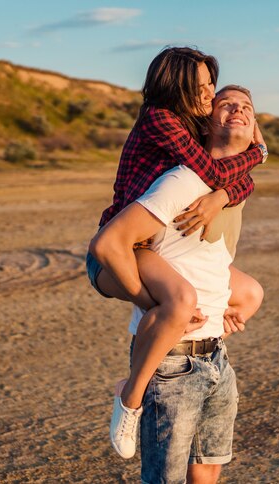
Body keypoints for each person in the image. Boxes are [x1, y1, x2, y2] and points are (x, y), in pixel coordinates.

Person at [86, 47, 266, 458]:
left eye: (211, 86)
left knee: (250, 293)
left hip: (148, 245)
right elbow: (216, 170)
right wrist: (259, 154)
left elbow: (233, 177)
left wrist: (223, 195)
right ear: (178, 87)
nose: (209, 94)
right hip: (122, 249)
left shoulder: (194, 124)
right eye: (202, 87)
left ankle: (182, 333)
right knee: (179, 301)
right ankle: (130, 398)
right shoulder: (161, 119)